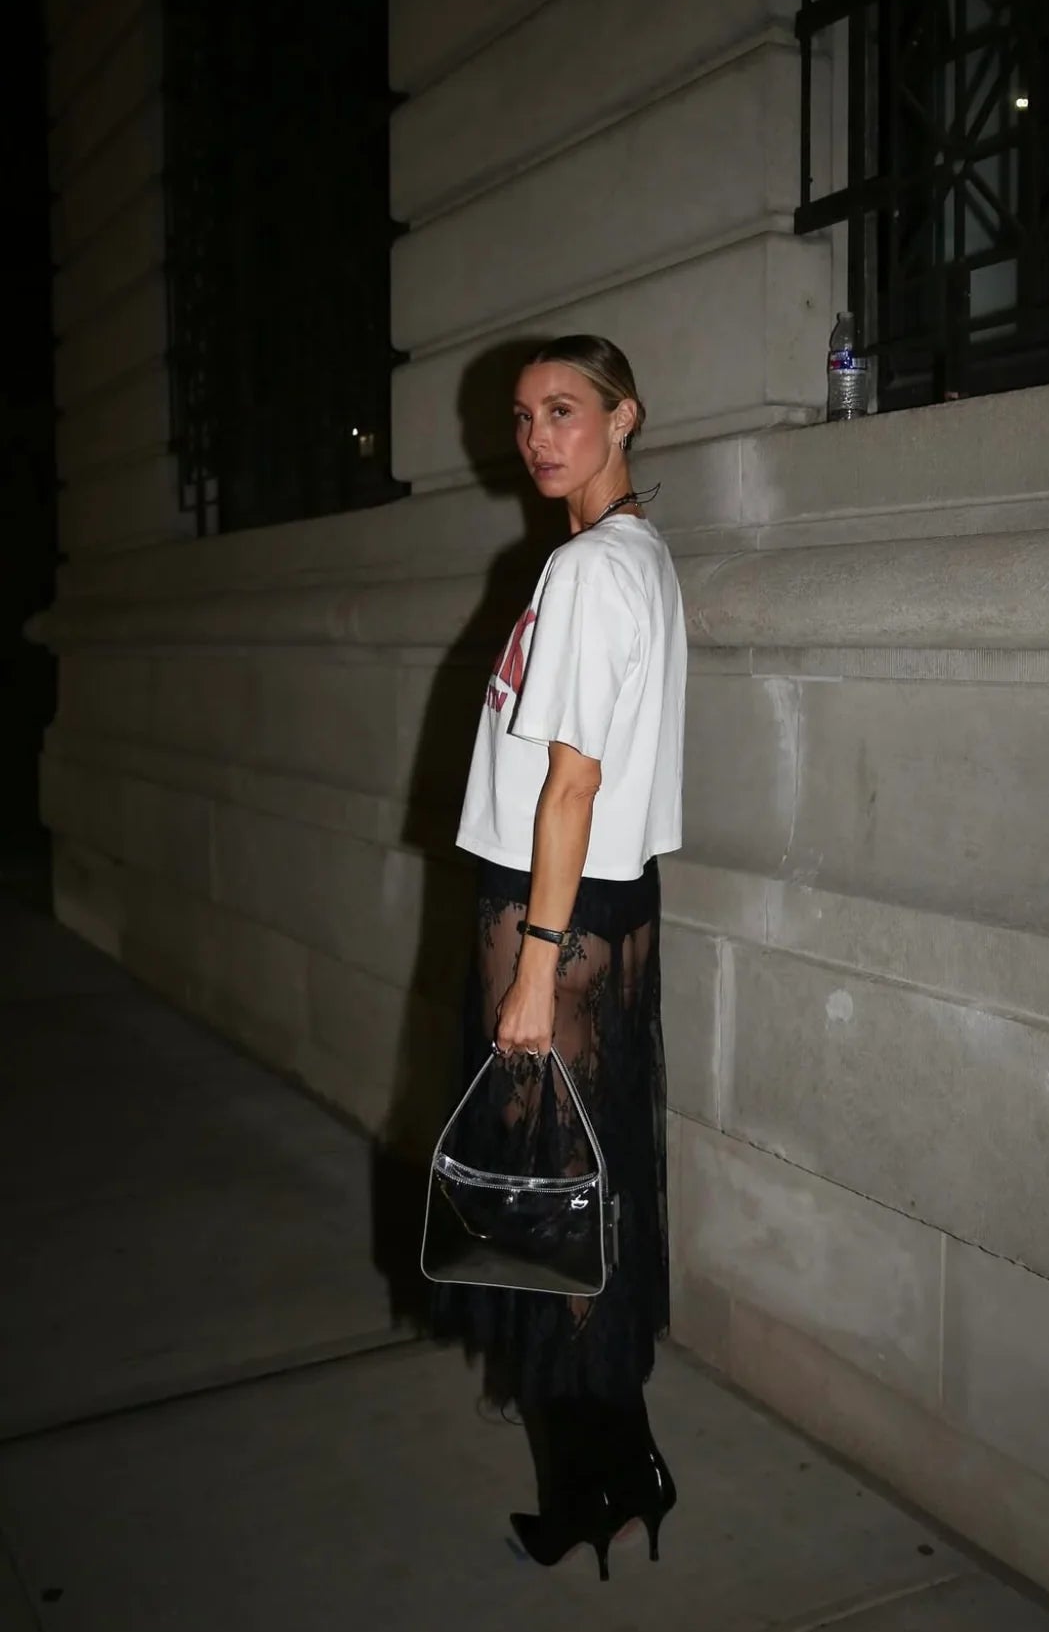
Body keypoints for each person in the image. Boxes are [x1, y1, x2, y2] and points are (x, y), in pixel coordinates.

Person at [433, 335, 687, 1581]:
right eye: (525, 414)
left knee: (543, 1204)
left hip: (554, 915)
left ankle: (598, 1474)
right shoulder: (630, 555)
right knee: (582, 1189)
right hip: (605, 910)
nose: (538, 434)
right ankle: (617, 1474)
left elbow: (570, 785)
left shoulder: (591, 568)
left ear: (622, 416)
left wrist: (532, 964)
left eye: (565, 409)